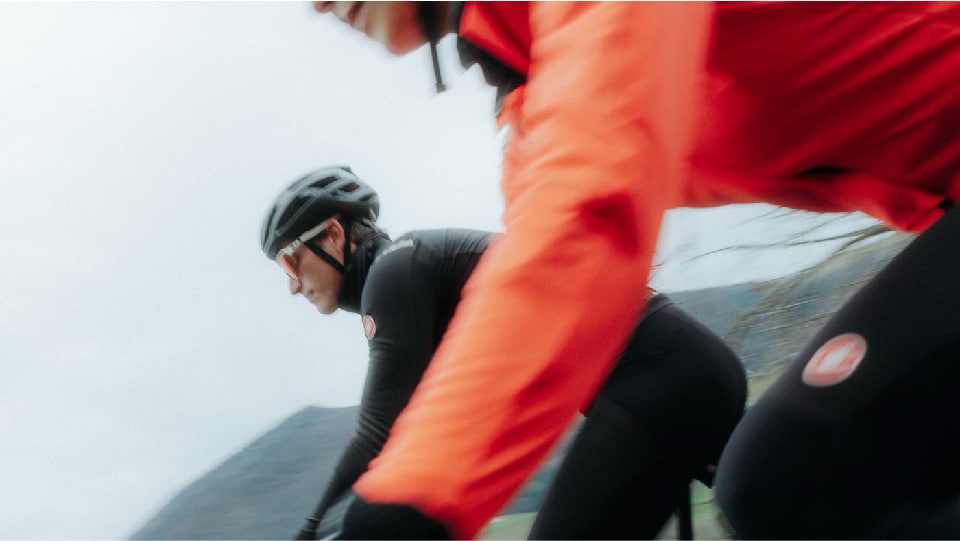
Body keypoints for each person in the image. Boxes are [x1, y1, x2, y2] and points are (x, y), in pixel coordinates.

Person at [311, 3, 960, 539]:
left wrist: (407, 500)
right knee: (787, 481)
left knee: (793, 469)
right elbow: (553, 294)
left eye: (293, 261)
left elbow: (586, 215)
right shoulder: (532, 97)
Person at [260, 165, 746, 540]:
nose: (292, 286)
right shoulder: (413, 273)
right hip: (673, 369)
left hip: (657, 379)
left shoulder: (394, 272)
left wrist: (310, 527)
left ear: (334, 234)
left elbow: (378, 432)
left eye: (288, 262)